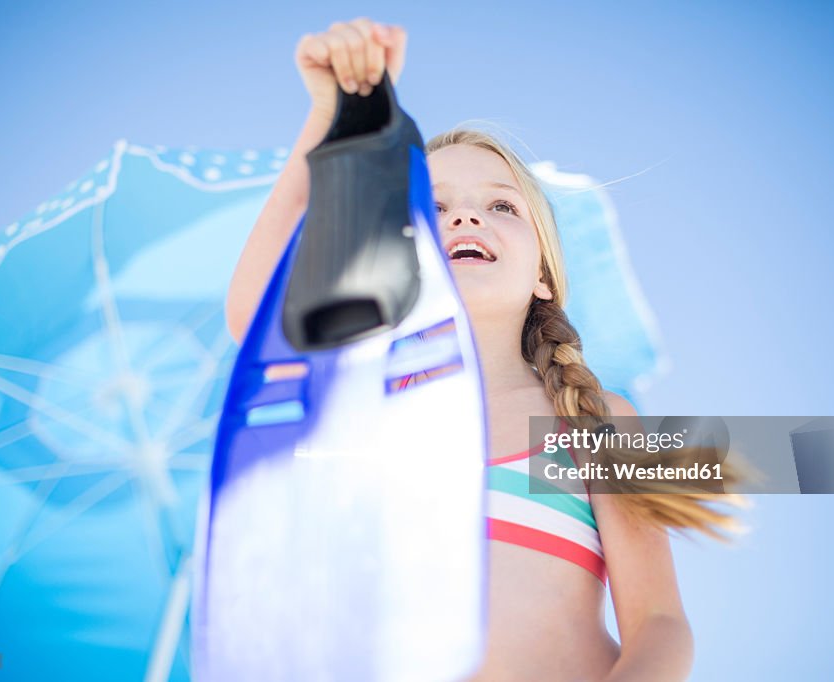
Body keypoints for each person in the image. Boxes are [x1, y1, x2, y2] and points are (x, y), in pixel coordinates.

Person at [225, 17, 742, 681]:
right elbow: (254, 312)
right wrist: (333, 113)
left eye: (501, 207)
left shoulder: (592, 424)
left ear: (543, 275)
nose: (467, 217)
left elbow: (660, 625)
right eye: (435, 209)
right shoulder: (362, 402)